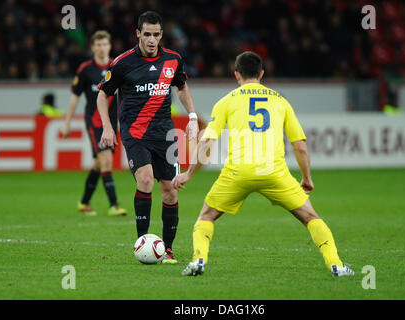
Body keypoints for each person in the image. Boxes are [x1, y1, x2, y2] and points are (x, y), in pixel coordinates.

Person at [173, 51, 354, 277]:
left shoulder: (226, 102)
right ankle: (335, 264)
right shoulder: (280, 101)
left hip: (237, 173)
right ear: (262, 74)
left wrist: (188, 173)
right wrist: (307, 178)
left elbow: (207, 140)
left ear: (236, 74)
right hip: (274, 172)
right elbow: (300, 146)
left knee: (206, 216)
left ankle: (199, 260)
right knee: (311, 217)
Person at [97, 11, 199, 264]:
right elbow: (103, 94)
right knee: (145, 180)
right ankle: (143, 243)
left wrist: (193, 117)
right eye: (147, 34)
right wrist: (108, 127)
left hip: (164, 133)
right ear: (138, 34)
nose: (152, 39)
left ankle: (169, 249)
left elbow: (182, 86)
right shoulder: (123, 63)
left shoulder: (173, 59)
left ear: (161, 35)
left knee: (170, 192)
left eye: (156, 35)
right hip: (135, 132)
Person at [61, 30, 127, 217]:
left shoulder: (117, 66)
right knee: (106, 160)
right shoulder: (85, 69)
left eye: (104, 44)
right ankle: (114, 205)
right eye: (98, 44)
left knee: (98, 164)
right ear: (92, 47)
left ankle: (84, 202)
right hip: (94, 122)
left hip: (113, 123)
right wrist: (66, 124)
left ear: (109, 46)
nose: (101, 47)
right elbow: (74, 98)